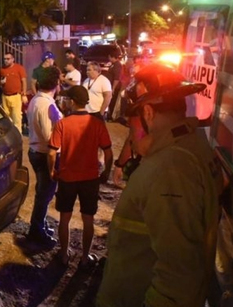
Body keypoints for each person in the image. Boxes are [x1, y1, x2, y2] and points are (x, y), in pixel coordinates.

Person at [97, 64, 222, 307]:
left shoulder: (170, 169)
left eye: (131, 123)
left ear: (148, 113)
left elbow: (178, 277)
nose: (130, 136)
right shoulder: (192, 146)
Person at [48, 85, 113, 267]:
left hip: (68, 178)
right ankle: (85, 257)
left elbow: (52, 152)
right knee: (88, 219)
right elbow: (108, 152)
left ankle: (63, 255)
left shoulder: (63, 123)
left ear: (73, 101)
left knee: (65, 218)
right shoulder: (97, 124)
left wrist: (52, 171)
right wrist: (106, 172)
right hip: (90, 179)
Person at [25, 67, 63, 248]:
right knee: (44, 194)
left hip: (36, 151)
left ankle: (40, 225)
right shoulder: (47, 105)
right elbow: (51, 139)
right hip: (45, 155)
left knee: (43, 193)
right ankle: (36, 231)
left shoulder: (36, 100)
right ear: (56, 83)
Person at [0, 53, 28, 133]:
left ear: (13, 59)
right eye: (5, 59)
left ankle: (18, 134)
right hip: (5, 96)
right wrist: (0, 82)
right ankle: (9, 134)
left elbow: (24, 81)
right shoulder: (2, 69)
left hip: (16, 96)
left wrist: (24, 94)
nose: (6, 60)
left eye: (8, 59)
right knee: (7, 117)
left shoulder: (19, 68)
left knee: (17, 117)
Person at [105, 52, 123, 121]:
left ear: (113, 57)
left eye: (109, 57)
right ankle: (109, 115)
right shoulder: (113, 64)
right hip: (110, 85)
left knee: (112, 101)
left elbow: (116, 78)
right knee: (111, 101)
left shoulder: (117, 65)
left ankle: (111, 117)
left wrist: (113, 88)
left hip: (114, 87)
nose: (109, 59)